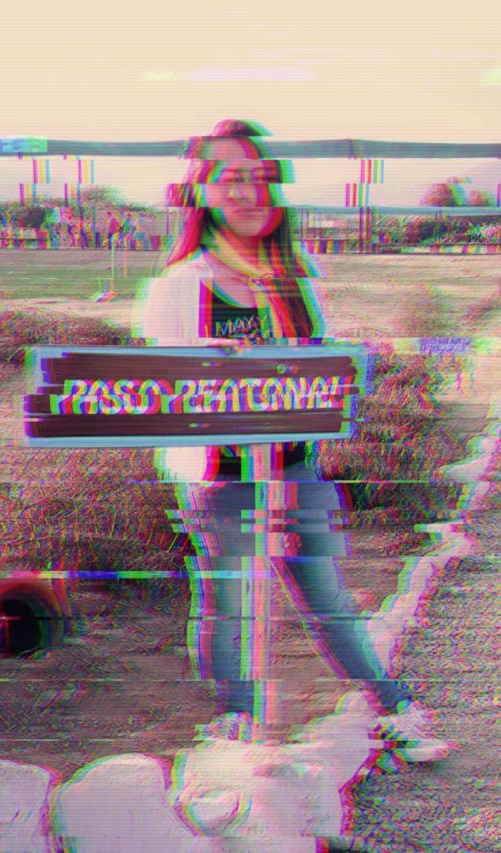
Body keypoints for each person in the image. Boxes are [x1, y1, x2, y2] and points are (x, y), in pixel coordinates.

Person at [134, 119, 454, 762]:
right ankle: (235, 725)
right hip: (222, 478)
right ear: (202, 193)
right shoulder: (180, 285)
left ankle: (393, 711)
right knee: (229, 603)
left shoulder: (295, 277)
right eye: (230, 178)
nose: (246, 191)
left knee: (327, 600)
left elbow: (319, 369)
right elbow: (159, 389)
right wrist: (216, 367)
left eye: (258, 176)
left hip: (295, 470)